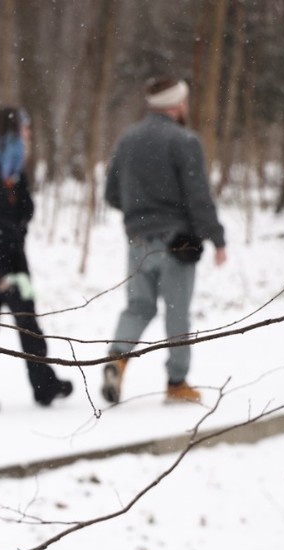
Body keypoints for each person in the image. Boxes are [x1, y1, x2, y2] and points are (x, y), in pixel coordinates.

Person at [101, 76, 228, 405]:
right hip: (177, 243)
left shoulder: (127, 140)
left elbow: (111, 194)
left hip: (137, 241)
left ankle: (117, 360)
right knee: (177, 313)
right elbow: (198, 196)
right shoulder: (184, 141)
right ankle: (177, 382)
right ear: (178, 104)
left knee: (138, 306)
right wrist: (217, 237)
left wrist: (138, 213)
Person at [0, 106, 73, 412]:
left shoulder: (11, 172)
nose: (29, 134)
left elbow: (20, 215)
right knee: (16, 323)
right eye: (25, 128)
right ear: (13, 132)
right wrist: (0, 273)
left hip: (7, 260)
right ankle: (38, 385)